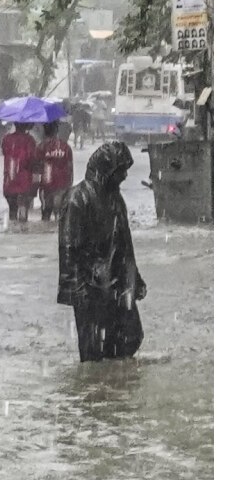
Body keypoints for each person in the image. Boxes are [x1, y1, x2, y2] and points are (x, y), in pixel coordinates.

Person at [57, 142, 146, 363]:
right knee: (93, 353)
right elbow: (68, 248)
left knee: (130, 338)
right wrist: (76, 289)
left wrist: (135, 279)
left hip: (116, 284)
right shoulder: (77, 199)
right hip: (89, 286)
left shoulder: (115, 199)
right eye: (121, 171)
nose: (125, 176)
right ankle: (96, 391)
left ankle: (115, 388)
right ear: (106, 170)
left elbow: (125, 243)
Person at [1, 123, 38, 228]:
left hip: (9, 181)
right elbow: (32, 159)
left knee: (12, 211)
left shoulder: (6, 139)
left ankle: (12, 231)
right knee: (23, 213)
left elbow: (5, 153)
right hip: (24, 182)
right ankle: (22, 232)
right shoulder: (30, 140)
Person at [36, 122, 75, 222]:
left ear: (44, 131)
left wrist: (36, 185)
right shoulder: (66, 147)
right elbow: (70, 167)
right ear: (56, 131)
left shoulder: (41, 147)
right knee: (60, 213)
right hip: (62, 183)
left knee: (46, 213)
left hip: (47, 183)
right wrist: (70, 185)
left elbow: (37, 167)